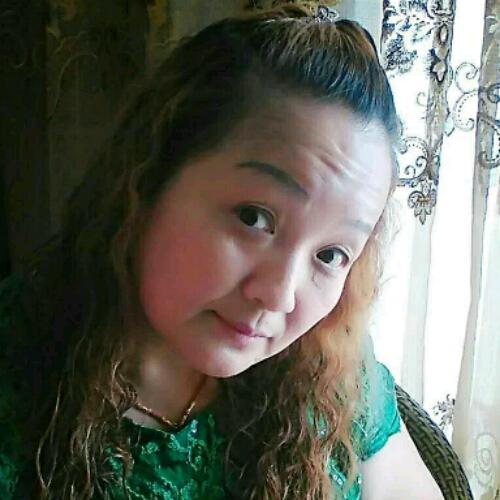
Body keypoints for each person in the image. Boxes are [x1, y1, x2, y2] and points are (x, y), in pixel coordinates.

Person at [0, 3, 444, 499]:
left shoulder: (329, 371)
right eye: (253, 218)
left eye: (330, 255)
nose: (279, 296)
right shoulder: (19, 375)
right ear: (148, 180)